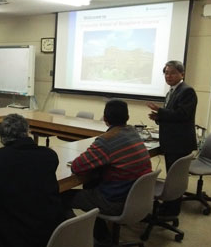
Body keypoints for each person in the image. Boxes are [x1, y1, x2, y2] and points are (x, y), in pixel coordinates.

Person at [0, 114, 64, 247]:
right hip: (52, 235)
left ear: (2, 138)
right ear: (28, 132)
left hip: (17, 240)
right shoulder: (49, 156)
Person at [62, 99, 152, 243]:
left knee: (59, 197)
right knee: (91, 184)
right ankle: (102, 236)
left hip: (115, 202)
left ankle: (83, 238)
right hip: (136, 198)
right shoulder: (134, 133)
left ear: (105, 118)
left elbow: (77, 167)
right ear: (127, 117)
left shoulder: (107, 141)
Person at [147, 60, 197, 217]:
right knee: (171, 176)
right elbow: (172, 116)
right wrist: (158, 117)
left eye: (173, 73)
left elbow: (183, 115)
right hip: (171, 141)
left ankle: (172, 210)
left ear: (182, 74)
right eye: (166, 73)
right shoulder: (172, 91)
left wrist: (161, 112)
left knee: (175, 178)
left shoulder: (187, 91)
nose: (168, 76)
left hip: (179, 142)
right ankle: (168, 206)